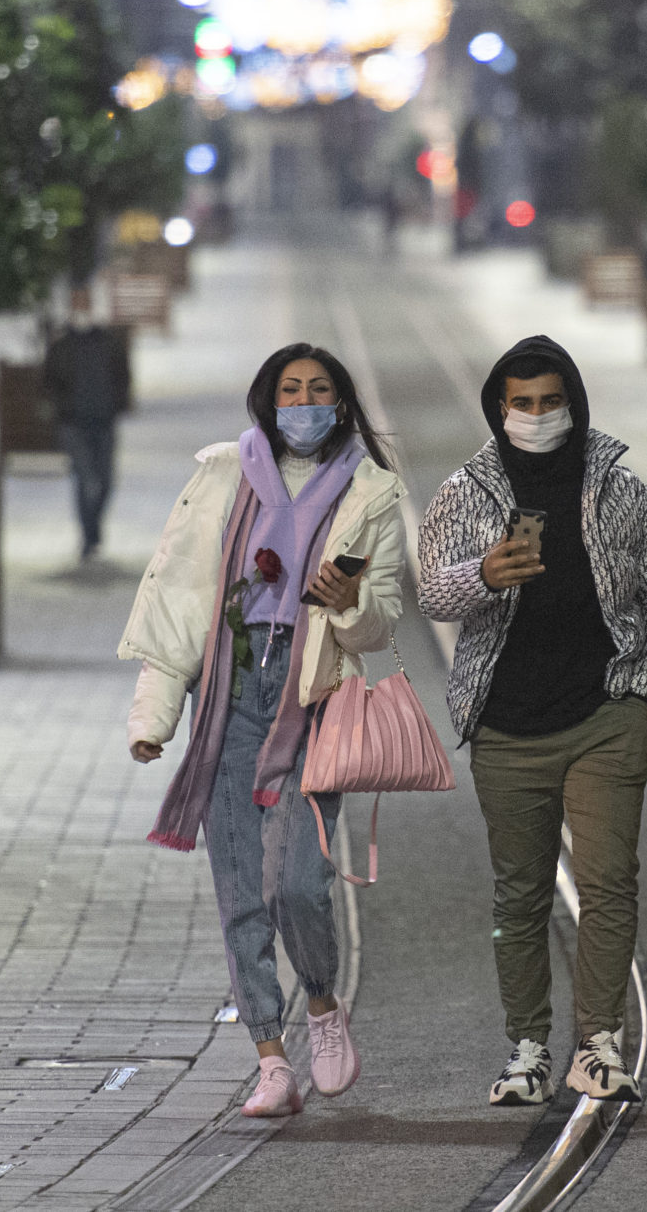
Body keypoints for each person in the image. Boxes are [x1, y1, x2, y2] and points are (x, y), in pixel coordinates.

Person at [120, 344, 407, 1118]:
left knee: (299, 885)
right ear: (267, 400)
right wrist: (154, 717)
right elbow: (179, 599)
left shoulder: (371, 492)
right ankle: (270, 1058)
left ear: (342, 404)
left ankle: (321, 1002)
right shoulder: (221, 473)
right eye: (290, 389)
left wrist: (345, 599)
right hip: (230, 695)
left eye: (319, 390)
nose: (304, 403)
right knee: (242, 890)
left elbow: (379, 624)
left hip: (313, 700)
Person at [418, 335, 647, 1108]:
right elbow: (431, 593)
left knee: (607, 884)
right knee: (520, 893)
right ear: (499, 409)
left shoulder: (617, 489)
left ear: (572, 402)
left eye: (549, 401)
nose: (536, 416)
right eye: (521, 404)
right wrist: (482, 574)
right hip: (505, 723)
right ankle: (527, 1046)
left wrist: (644, 689)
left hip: (605, 713)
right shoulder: (467, 491)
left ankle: (598, 1043)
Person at [44, 286, 132, 560]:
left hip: (103, 421)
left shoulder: (108, 341)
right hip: (74, 423)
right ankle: (88, 537)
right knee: (85, 478)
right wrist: (61, 409)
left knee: (105, 481)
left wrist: (117, 404)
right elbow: (49, 382)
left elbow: (122, 375)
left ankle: (92, 531)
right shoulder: (61, 345)